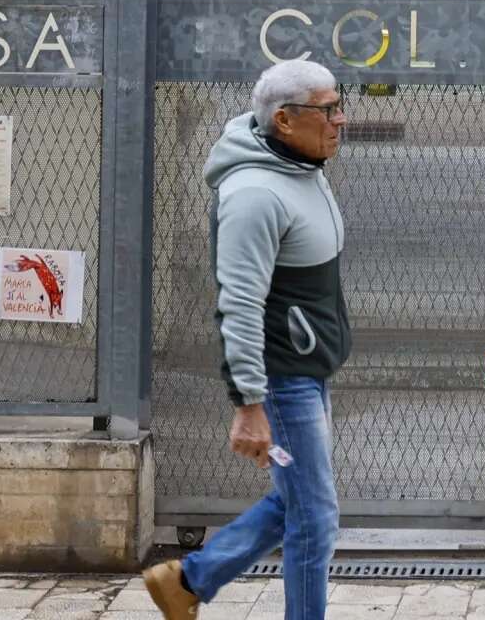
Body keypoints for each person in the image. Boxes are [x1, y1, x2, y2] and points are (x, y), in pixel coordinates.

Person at [146, 60, 351, 620]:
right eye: (327, 110)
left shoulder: (302, 165)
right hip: (281, 384)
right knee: (315, 517)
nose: (340, 120)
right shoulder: (254, 193)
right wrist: (249, 405)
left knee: (298, 503)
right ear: (284, 120)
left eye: (340, 104)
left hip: (306, 371)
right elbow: (238, 305)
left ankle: (188, 580)